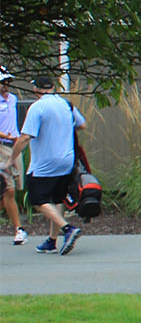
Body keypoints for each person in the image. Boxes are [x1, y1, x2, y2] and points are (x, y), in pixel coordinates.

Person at [11, 73, 85, 254]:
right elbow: (82, 125)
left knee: (38, 199)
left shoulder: (38, 107)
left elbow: (26, 137)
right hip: (67, 161)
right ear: (52, 87)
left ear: (36, 89)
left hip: (44, 163)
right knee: (58, 199)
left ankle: (68, 229)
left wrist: (10, 159)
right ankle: (52, 241)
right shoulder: (66, 104)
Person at [0, 71, 24, 245]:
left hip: (15, 147)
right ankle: (18, 229)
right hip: (2, 146)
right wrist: (6, 136)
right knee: (9, 190)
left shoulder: (13, 99)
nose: (6, 85)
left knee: (14, 187)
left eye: (7, 81)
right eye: (3, 82)